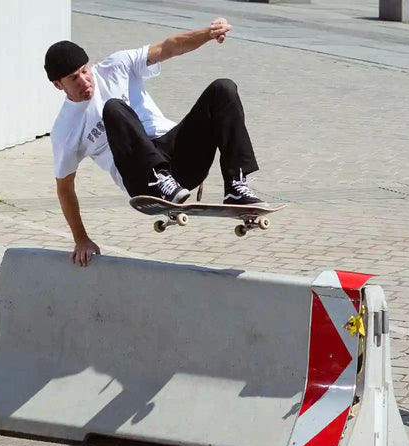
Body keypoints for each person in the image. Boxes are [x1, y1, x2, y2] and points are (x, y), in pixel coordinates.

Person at [44, 18, 267, 267]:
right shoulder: (65, 130)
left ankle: (236, 186)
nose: (85, 81)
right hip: (143, 182)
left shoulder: (115, 66)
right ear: (58, 85)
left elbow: (169, 47)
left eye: (85, 71)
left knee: (223, 89)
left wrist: (208, 33)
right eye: (74, 79)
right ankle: (159, 179)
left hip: (181, 163)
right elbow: (65, 188)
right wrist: (81, 238)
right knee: (114, 108)